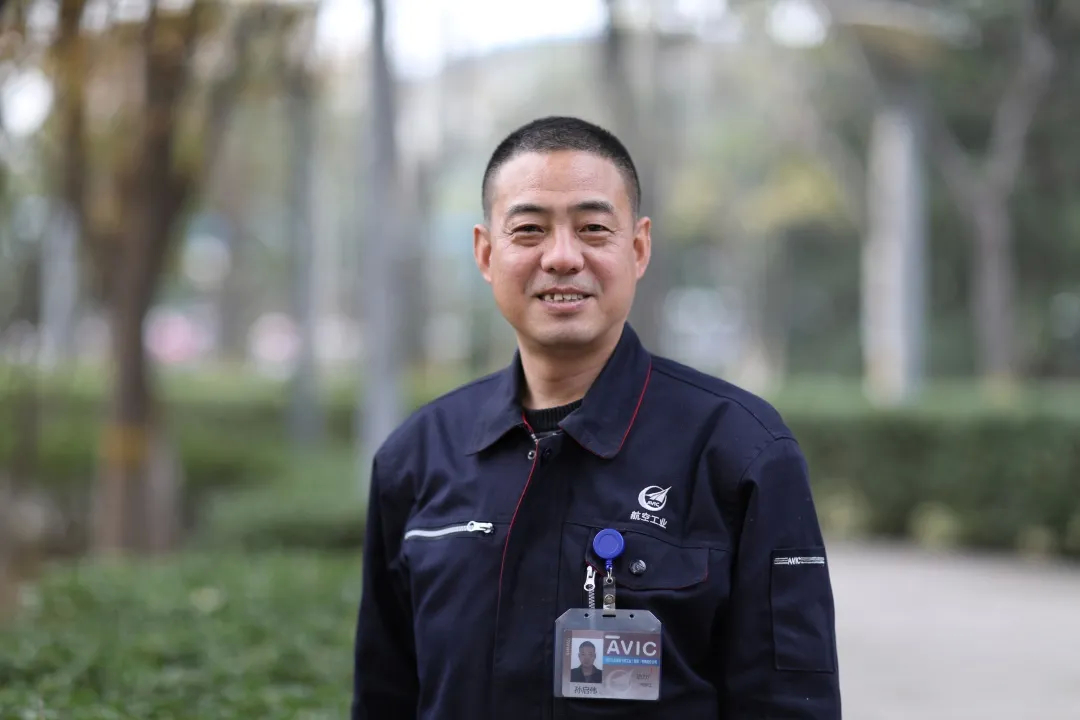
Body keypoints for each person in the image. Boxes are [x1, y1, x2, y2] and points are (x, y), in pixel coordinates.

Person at [351, 116, 841, 719]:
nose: (562, 257)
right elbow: (384, 695)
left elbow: (790, 705)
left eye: (593, 229)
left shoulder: (740, 451)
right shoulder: (417, 455)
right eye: (529, 230)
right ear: (485, 252)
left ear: (638, 248)